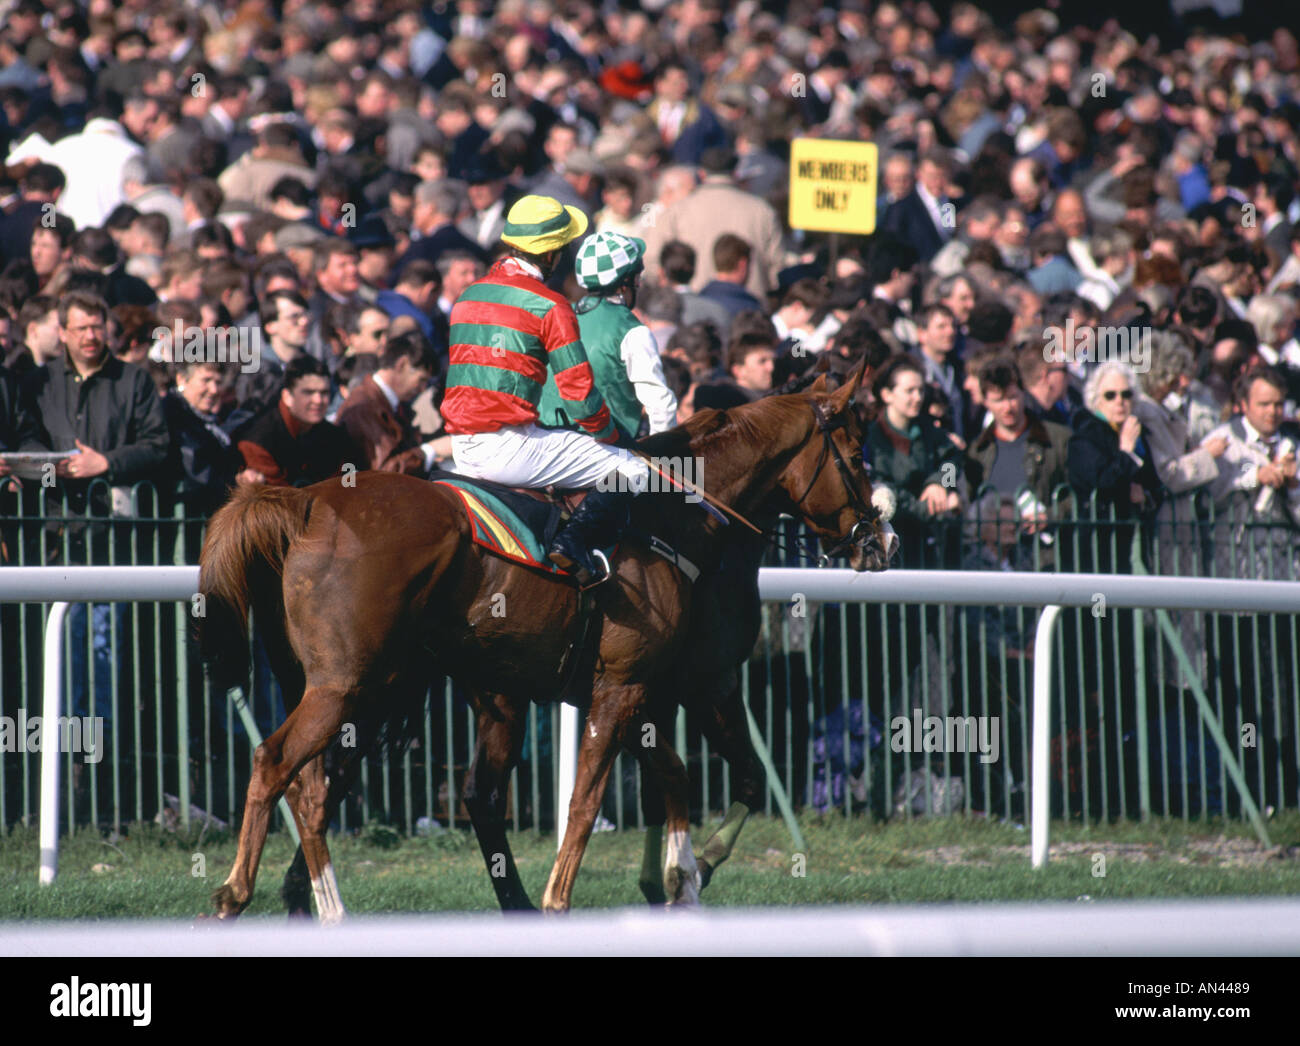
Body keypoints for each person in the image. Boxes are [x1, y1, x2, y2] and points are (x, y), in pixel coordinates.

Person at [440, 194, 648, 586]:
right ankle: (574, 546)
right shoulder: (551, 305)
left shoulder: (467, 297)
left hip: (460, 446)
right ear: (551, 253)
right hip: (508, 447)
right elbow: (581, 400)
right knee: (631, 469)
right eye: (565, 246)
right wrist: (614, 437)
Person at [538, 231, 677, 443]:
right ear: (626, 281)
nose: (639, 282)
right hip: (607, 451)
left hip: (545, 444)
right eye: (638, 275)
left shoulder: (556, 314)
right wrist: (661, 461)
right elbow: (661, 406)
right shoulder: (633, 331)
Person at [234, 355, 361, 488]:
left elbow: (349, 483)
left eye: (324, 393)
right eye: (308, 392)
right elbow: (281, 499)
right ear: (287, 396)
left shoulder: (336, 437)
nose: (318, 400)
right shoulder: (257, 441)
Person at [338, 331, 448, 474]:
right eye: (421, 380)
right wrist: (430, 450)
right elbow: (384, 472)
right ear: (402, 364)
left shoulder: (389, 403)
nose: (422, 389)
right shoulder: (363, 408)